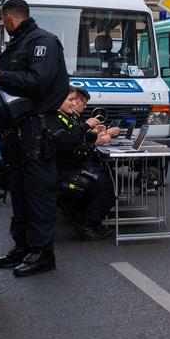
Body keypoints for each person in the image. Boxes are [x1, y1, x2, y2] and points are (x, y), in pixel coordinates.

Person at [0, 0, 70, 277]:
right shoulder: (18, 43)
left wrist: (0, 76)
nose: (4, 25)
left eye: (3, 20)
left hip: (38, 126)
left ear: (9, 17)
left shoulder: (43, 42)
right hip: (18, 125)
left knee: (38, 191)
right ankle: (23, 246)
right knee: (20, 189)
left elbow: (37, 82)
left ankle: (42, 253)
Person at [55, 86, 118, 240]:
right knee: (107, 185)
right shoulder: (56, 119)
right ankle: (86, 223)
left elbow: (79, 145)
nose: (73, 103)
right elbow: (65, 145)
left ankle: (88, 218)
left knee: (107, 174)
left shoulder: (67, 116)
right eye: (70, 100)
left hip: (69, 165)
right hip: (61, 171)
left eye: (74, 100)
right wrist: (87, 128)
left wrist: (91, 136)